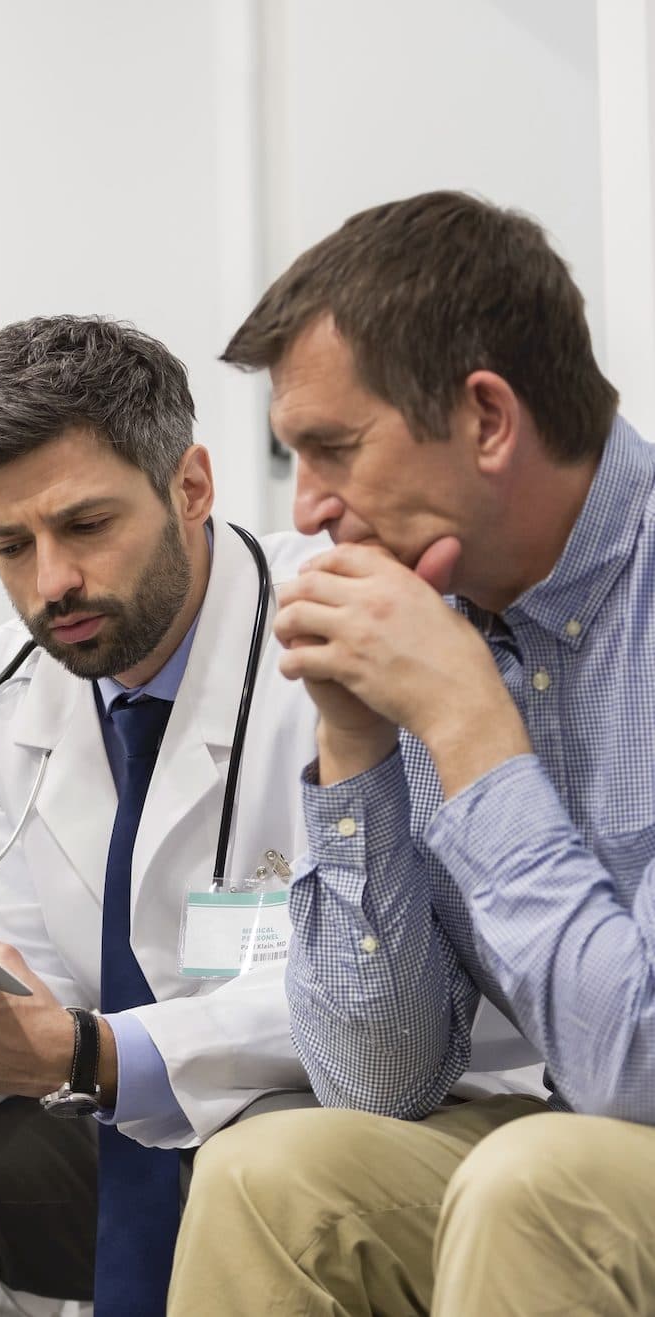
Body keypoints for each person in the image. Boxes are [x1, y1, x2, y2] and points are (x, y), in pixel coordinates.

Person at [167, 191, 655, 1316]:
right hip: (567, 1137)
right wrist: (355, 744)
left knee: (535, 1183)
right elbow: (376, 1084)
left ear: (487, 419)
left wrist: (473, 732)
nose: (311, 508)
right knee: (268, 1174)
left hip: (600, 1130)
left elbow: (634, 1074)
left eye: (332, 449)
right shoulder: (435, 622)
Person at [0, 316, 322, 1314]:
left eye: (85, 526)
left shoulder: (329, 633)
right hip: (115, 1129)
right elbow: (17, 950)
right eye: (9, 545)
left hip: (322, 1122)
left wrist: (83, 1051)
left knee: (261, 1164)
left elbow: (375, 993)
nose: (49, 583)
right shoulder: (10, 681)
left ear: (190, 487)